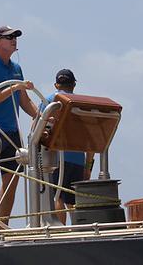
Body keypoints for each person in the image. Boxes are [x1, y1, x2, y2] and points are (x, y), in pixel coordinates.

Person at [0, 26, 38, 224]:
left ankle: (2, 225)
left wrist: (42, 116)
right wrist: (15, 87)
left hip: (11, 131)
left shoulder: (16, 69)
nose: (14, 40)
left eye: (15, 37)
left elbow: (24, 101)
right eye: (9, 37)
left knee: (11, 181)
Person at [45, 69, 94, 224]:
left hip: (57, 158)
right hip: (78, 159)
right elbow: (90, 139)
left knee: (57, 196)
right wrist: (88, 167)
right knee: (73, 201)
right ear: (73, 85)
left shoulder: (51, 99)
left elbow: (38, 127)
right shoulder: (81, 104)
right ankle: (78, 231)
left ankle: (60, 230)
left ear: (56, 85)